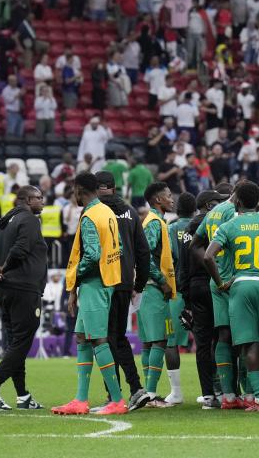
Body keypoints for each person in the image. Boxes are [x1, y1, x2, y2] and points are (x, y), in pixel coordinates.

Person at [205, 181, 259, 410]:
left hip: (241, 285)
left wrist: (221, 283)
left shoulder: (230, 225)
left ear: (238, 202)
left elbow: (207, 257)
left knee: (249, 345)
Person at [52, 173, 125, 415]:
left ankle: (116, 400)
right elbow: (119, 247)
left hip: (95, 282)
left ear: (79, 190)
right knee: (83, 337)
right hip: (105, 281)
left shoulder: (90, 216)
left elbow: (92, 255)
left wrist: (75, 276)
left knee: (98, 339)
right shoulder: (106, 212)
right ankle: (80, 400)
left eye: (74, 190)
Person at [91, 171, 150, 413]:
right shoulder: (131, 212)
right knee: (118, 337)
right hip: (125, 282)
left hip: (103, 282)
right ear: (114, 188)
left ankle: (113, 396)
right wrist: (139, 285)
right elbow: (143, 252)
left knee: (104, 339)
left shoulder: (95, 213)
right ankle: (136, 388)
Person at [0, 186, 46, 411]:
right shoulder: (30, 220)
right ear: (26, 200)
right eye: (38, 198)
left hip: (5, 290)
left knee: (15, 343)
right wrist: (3, 267)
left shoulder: (4, 224)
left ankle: (23, 395)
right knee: (21, 342)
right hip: (24, 288)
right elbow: (21, 250)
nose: (42, 201)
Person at [190, 185, 240, 409]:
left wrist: (213, 269)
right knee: (240, 336)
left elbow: (196, 244)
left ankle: (221, 393)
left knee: (218, 336)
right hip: (231, 281)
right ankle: (249, 394)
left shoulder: (212, 213)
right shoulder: (233, 212)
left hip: (213, 282)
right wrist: (219, 269)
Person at [183, 189, 228, 409]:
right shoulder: (218, 223)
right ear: (210, 205)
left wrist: (185, 300)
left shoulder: (186, 229)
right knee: (223, 337)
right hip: (216, 283)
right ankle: (228, 391)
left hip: (195, 287)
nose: (222, 205)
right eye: (219, 202)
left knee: (202, 342)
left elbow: (182, 263)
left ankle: (208, 394)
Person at [138, 182, 177, 407]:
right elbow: (146, 256)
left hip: (147, 287)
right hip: (154, 287)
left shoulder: (154, 221)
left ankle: (147, 392)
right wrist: (162, 281)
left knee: (149, 343)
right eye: (169, 195)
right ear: (158, 200)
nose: (172, 199)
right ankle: (151, 394)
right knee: (159, 341)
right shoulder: (154, 223)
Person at [165, 192, 196, 405]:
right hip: (199, 286)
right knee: (208, 340)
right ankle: (216, 391)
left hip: (176, 289)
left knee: (171, 342)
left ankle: (176, 392)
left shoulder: (170, 229)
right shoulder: (201, 226)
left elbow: (166, 258)